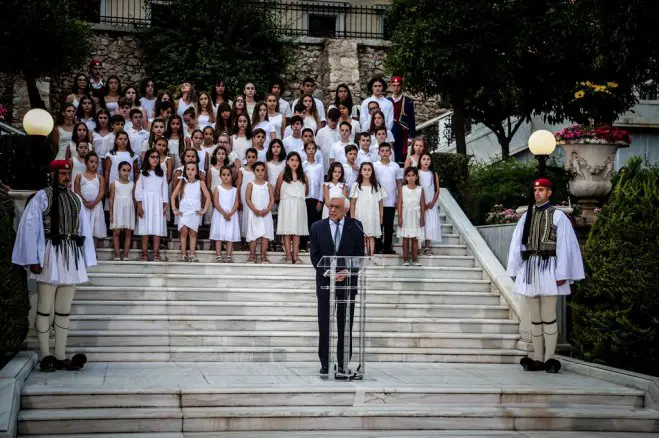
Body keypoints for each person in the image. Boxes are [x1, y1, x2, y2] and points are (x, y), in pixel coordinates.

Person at [12, 160, 96, 372]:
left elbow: (84, 229)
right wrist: (33, 259)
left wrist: (86, 260)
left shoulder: (76, 199)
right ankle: (45, 354)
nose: (66, 177)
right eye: (62, 174)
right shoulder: (42, 196)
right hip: (49, 253)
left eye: (68, 173)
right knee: (44, 308)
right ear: (53, 175)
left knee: (63, 310)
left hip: (71, 254)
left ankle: (60, 354)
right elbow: (30, 228)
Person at [507, 178, 585, 373]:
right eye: (535, 190)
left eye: (541, 190)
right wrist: (516, 269)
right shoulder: (527, 216)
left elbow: (565, 246)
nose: (538, 193)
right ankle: (537, 358)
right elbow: (518, 243)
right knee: (535, 317)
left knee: (548, 315)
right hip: (531, 268)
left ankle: (550, 358)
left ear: (549, 192)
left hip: (550, 268)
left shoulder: (558, 216)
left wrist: (562, 273)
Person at [310, 194, 365, 378]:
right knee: (324, 323)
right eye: (330, 206)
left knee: (345, 324)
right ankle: (325, 364)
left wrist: (347, 272)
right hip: (325, 282)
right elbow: (315, 256)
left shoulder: (356, 226)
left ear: (346, 209)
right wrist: (329, 273)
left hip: (347, 284)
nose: (332, 210)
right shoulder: (317, 227)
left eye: (336, 207)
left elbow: (360, 256)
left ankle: (343, 363)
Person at [171, 162, 211, 262]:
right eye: (188, 169)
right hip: (184, 211)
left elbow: (208, 196)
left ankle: (192, 254)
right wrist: (174, 209)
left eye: (193, 169)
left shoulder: (200, 183)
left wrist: (204, 210)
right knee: (184, 231)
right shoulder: (182, 182)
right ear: (185, 171)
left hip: (194, 211)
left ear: (196, 171)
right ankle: (183, 254)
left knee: (193, 233)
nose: (190, 171)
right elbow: (173, 196)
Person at [135, 148, 169, 262]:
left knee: (157, 228)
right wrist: (139, 205)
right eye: (152, 157)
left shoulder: (162, 174)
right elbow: (139, 189)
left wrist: (165, 205)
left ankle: (156, 254)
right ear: (147, 159)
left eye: (157, 157)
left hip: (158, 203)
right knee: (145, 228)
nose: (155, 159)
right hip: (145, 202)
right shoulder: (142, 173)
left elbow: (164, 190)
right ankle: (144, 254)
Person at [275, 151, 309, 264]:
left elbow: (306, 191)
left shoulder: (303, 176)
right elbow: (277, 191)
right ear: (287, 162)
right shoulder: (283, 175)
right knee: (287, 230)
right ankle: (288, 255)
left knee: (296, 230)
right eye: (292, 160)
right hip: (286, 204)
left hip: (299, 205)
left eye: (297, 160)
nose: (294, 162)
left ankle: (296, 255)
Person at [350, 162, 385, 257]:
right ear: (360, 171)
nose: (367, 172)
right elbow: (352, 203)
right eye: (364, 169)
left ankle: (371, 257)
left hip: (373, 215)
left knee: (371, 236)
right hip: (360, 215)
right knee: (362, 237)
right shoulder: (356, 185)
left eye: (369, 170)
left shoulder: (376, 185)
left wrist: (381, 216)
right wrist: (352, 217)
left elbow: (381, 203)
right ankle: (363, 257)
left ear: (372, 172)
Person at [373, 142, 402, 255]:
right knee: (378, 225)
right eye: (382, 151)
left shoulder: (395, 166)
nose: (385, 153)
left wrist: (398, 197)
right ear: (378, 152)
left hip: (390, 200)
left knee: (389, 225)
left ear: (391, 152)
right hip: (378, 201)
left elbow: (399, 183)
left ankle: (388, 247)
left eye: (387, 151)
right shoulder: (374, 165)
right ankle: (378, 246)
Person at [74, 152, 106, 246]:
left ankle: (93, 251)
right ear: (86, 162)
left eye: (96, 162)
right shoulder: (80, 176)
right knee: (84, 227)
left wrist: (94, 203)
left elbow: (102, 192)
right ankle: (83, 250)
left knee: (95, 228)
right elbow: (77, 191)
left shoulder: (99, 177)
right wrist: (84, 202)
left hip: (96, 205)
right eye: (91, 161)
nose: (93, 164)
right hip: (84, 206)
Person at [245, 161, 275, 263]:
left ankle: (263, 256)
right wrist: (254, 210)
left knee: (265, 235)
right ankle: (252, 255)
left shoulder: (268, 185)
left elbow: (272, 200)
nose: (260, 172)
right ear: (253, 171)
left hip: (266, 213)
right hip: (254, 213)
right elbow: (247, 199)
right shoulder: (251, 184)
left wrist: (267, 210)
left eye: (262, 170)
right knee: (253, 235)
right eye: (257, 170)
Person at [211, 165, 240, 263]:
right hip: (220, 214)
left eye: (228, 175)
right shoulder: (217, 188)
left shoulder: (235, 190)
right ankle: (218, 254)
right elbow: (216, 203)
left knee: (229, 234)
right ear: (220, 176)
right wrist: (224, 213)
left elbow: (236, 203)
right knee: (219, 234)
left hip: (231, 214)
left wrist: (230, 213)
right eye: (223, 175)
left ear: (231, 176)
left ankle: (228, 254)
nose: (226, 177)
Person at [398, 166, 425, 266]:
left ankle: (414, 259)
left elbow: (422, 205)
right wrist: (400, 217)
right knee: (405, 238)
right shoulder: (402, 189)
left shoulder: (420, 189)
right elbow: (400, 204)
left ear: (416, 177)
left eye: (413, 175)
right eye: (408, 175)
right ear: (405, 177)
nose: (411, 178)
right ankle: (405, 259)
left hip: (416, 216)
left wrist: (422, 218)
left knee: (415, 239)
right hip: (406, 216)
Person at [109, 163, 135, 260]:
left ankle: (126, 254)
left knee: (128, 233)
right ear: (119, 171)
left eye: (128, 170)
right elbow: (111, 199)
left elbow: (134, 198)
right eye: (123, 170)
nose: (126, 172)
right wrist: (111, 213)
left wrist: (135, 212)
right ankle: (117, 254)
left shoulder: (132, 184)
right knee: (116, 232)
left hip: (128, 209)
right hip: (117, 209)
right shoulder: (114, 184)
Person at [388, 76, 416, 164]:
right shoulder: (387, 101)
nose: (396, 88)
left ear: (401, 86)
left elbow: (411, 120)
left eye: (398, 85)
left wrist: (411, 137)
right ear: (391, 86)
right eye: (394, 85)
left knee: (402, 160)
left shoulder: (408, 101)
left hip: (403, 134)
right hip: (390, 132)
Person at [418, 153, 442, 255]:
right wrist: (420, 203)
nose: (426, 161)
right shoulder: (417, 173)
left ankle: (427, 246)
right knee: (419, 223)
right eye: (424, 159)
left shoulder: (433, 174)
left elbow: (437, 190)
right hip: (420, 202)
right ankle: (418, 245)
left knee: (430, 224)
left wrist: (433, 202)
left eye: (428, 159)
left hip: (431, 203)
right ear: (420, 161)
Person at [302, 142, 324, 252]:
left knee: (315, 222)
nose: (311, 150)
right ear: (305, 150)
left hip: (315, 198)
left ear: (315, 150)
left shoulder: (319, 166)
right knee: (305, 221)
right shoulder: (302, 165)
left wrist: (320, 200)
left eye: (313, 148)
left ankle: (313, 244)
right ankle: (303, 244)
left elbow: (321, 183)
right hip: (305, 198)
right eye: (308, 148)